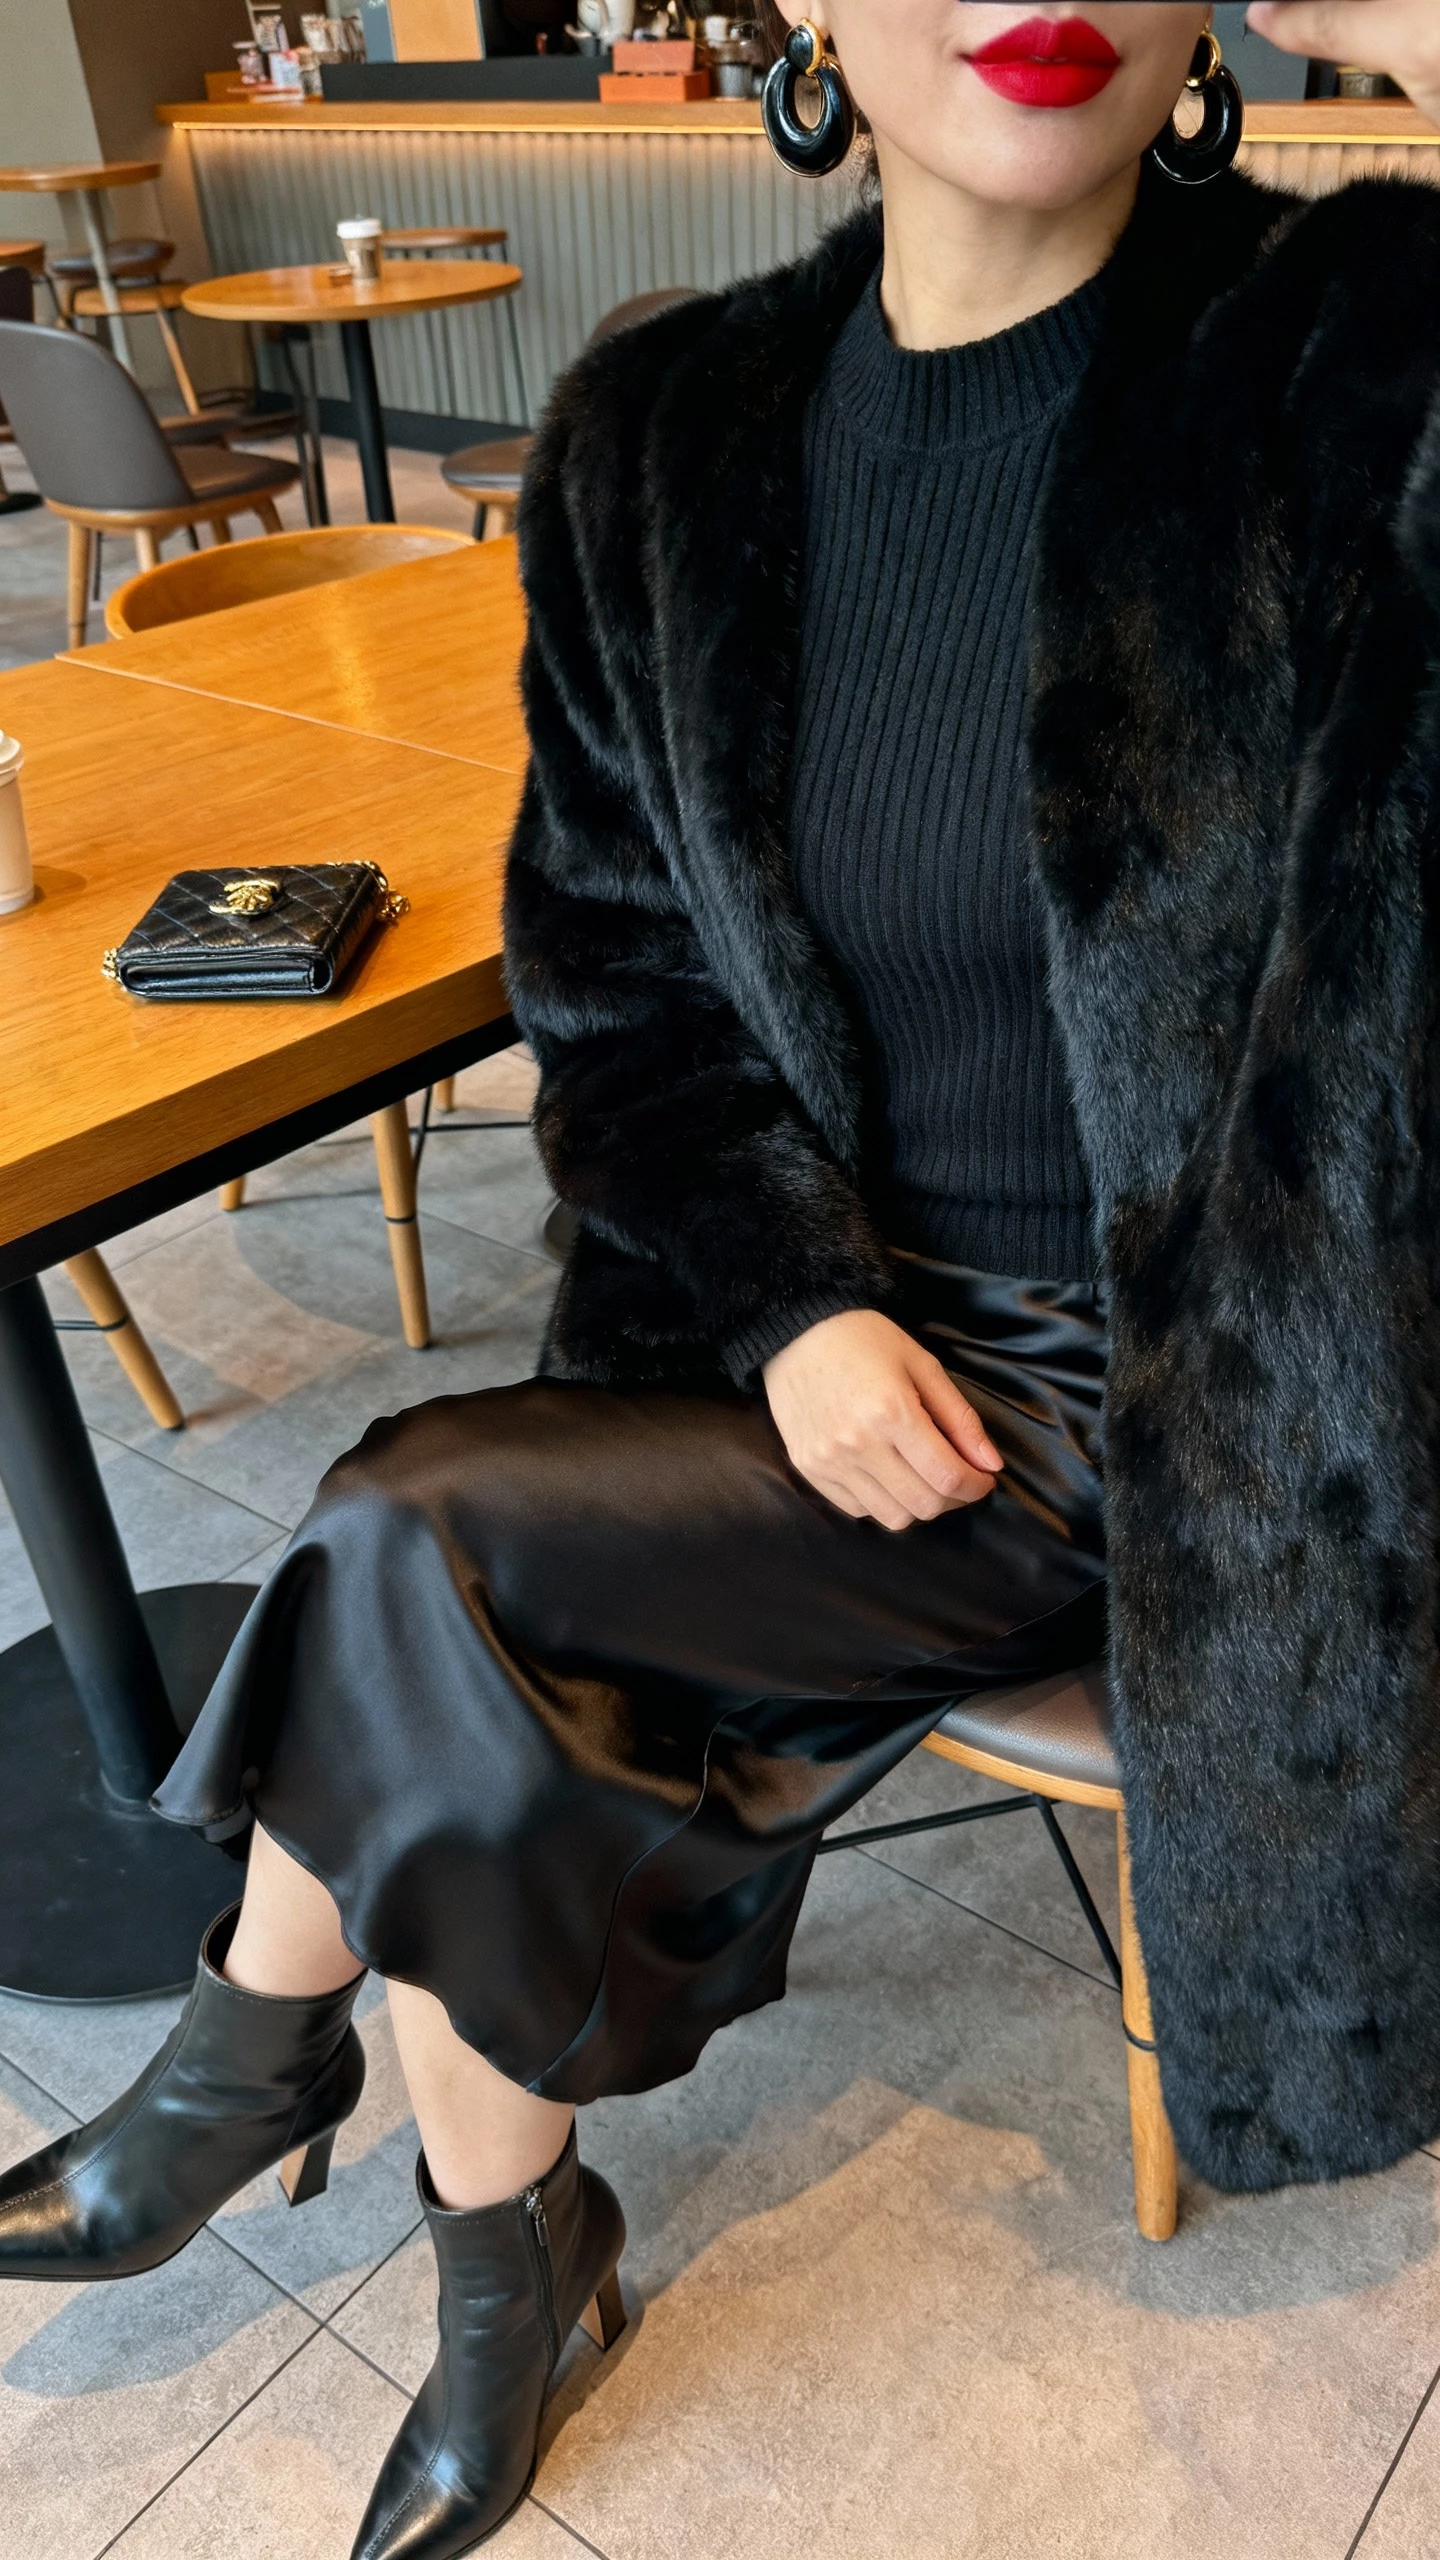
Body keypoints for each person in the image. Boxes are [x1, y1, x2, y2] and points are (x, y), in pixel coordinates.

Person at [6, 3, 1440, 2553]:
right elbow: (618, 980)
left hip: (1204, 1404)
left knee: (412, 1532)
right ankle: (496, 2237)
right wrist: (792, 1306)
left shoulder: (1343, 364)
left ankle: (283, 2066)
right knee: (434, 1599)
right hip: (819, 1352)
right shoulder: (665, 438)